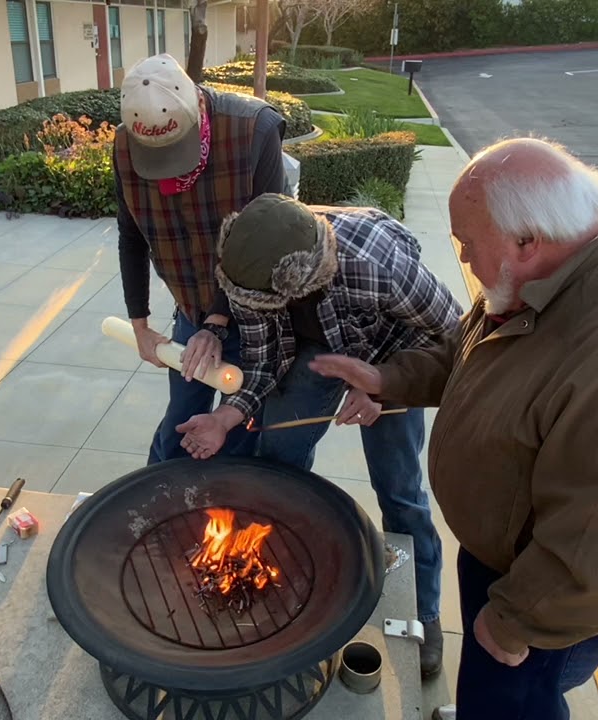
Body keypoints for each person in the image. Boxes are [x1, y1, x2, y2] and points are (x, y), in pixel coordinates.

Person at [308, 138, 598, 719]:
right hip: (502, 555)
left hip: (543, 599)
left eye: (468, 243)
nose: (463, 257)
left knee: (513, 705)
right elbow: (471, 352)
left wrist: (515, 622)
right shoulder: (542, 278)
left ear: (528, 240)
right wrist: (387, 378)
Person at [174, 193, 462, 678]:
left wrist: (383, 388)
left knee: (399, 488)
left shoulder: (379, 267)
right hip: (316, 346)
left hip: (395, 352)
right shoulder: (252, 265)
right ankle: (272, 564)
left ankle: (424, 610)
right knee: (277, 458)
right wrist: (224, 418)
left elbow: (454, 336)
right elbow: (264, 361)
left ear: (300, 280)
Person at [113, 53, 291, 464]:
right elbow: (131, 236)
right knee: (179, 426)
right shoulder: (125, 144)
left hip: (254, 313)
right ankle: (161, 493)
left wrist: (217, 322)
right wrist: (140, 326)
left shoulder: (254, 130)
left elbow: (267, 242)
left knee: (236, 434)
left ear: (196, 106)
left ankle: (229, 498)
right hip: (191, 308)